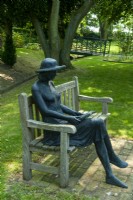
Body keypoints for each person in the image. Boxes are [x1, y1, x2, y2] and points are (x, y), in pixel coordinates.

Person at [32, 58, 128, 188]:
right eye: (54, 71)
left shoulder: (50, 84)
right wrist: (70, 119)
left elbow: (59, 105)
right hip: (55, 131)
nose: (56, 74)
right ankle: (110, 166)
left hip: (65, 123)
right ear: (47, 72)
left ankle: (111, 164)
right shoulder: (36, 88)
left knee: (98, 123)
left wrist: (75, 114)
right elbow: (45, 111)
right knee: (96, 126)